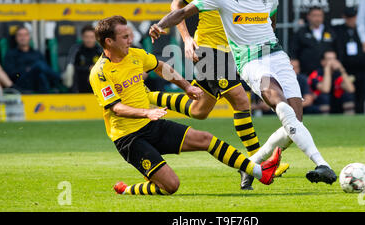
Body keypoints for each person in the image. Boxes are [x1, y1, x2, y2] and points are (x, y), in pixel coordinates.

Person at [150, 0, 337, 187]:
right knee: (275, 101)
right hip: (249, 61)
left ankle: (251, 165)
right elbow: (184, 11)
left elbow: (271, 23)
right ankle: (322, 164)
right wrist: (160, 25)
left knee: (295, 123)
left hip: (277, 56)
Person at [147, 0, 288, 191]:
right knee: (241, 100)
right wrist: (187, 39)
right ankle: (260, 162)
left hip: (234, 52)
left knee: (199, 110)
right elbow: (176, 6)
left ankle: (148, 98)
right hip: (208, 50)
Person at [89, 15, 281, 196]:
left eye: (129, 35)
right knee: (171, 186)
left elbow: (161, 67)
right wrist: (146, 112)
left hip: (152, 125)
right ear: (109, 42)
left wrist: (187, 86)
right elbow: (116, 108)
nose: (130, 40)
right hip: (129, 138)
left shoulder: (135, 55)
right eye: (125, 37)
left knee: (205, 139)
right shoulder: (100, 73)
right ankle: (127, 190)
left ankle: (259, 172)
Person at [3, 26, 61, 93]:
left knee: (41, 74)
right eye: (20, 35)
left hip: (37, 80)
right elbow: (10, 74)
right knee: (39, 65)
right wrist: (24, 71)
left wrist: (33, 69)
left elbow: (46, 69)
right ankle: (60, 79)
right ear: (16, 38)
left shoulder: (36, 53)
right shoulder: (11, 54)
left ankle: (46, 98)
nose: (23, 37)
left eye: (25, 35)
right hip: (21, 81)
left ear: (29, 37)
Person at [333, 7, 365, 113]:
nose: (351, 20)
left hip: (361, 67)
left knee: (361, 92)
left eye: (353, 18)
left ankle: (361, 112)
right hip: (345, 67)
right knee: (343, 91)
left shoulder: (362, 30)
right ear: (344, 18)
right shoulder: (338, 30)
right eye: (349, 18)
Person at [291, 6, 336, 76]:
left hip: (327, 73)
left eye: (320, 15)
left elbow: (337, 49)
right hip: (306, 72)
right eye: (314, 15)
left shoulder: (330, 31)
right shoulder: (301, 32)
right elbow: (293, 50)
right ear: (308, 16)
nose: (317, 18)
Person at [308, 50, 356, 114]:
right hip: (319, 104)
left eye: (334, 59)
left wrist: (342, 70)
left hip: (336, 102)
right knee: (324, 96)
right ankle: (324, 121)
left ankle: (350, 121)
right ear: (323, 62)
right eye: (329, 59)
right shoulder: (316, 74)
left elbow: (351, 89)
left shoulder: (338, 74)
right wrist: (327, 70)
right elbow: (326, 90)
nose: (332, 61)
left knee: (348, 95)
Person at [72, 25, 102, 93]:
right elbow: (72, 67)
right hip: (81, 84)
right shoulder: (77, 50)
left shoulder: (100, 51)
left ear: (96, 38)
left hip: (97, 84)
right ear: (82, 37)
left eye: (92, 37)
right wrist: (88, 68)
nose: (89, 40)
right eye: (86, 37)